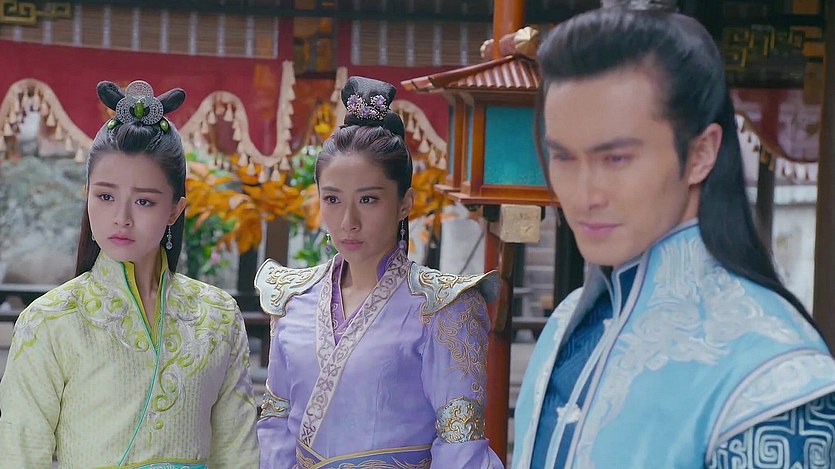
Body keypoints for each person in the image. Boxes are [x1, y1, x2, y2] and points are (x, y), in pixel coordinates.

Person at [511, 5, 835, 469]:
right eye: (563, 157)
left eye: (616, 159)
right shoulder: (565, 326)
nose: (585, 195)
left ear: (701, 153)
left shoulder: (773, 378)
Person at [0, 80, 260, 468]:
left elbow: (238, 453)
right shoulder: (48, 321)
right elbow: (20, 454)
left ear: (175, 209)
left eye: (144, 201)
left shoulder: (218, 317)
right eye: (105, 196)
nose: (121, 217)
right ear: (87, 195)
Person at [255, 76, 504, 468]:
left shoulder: (444, 307)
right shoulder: (291, 297)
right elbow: (275, 426)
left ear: (405, 203)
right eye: (332, 199)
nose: (348, 221)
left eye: (368, 199)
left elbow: (460, 446)